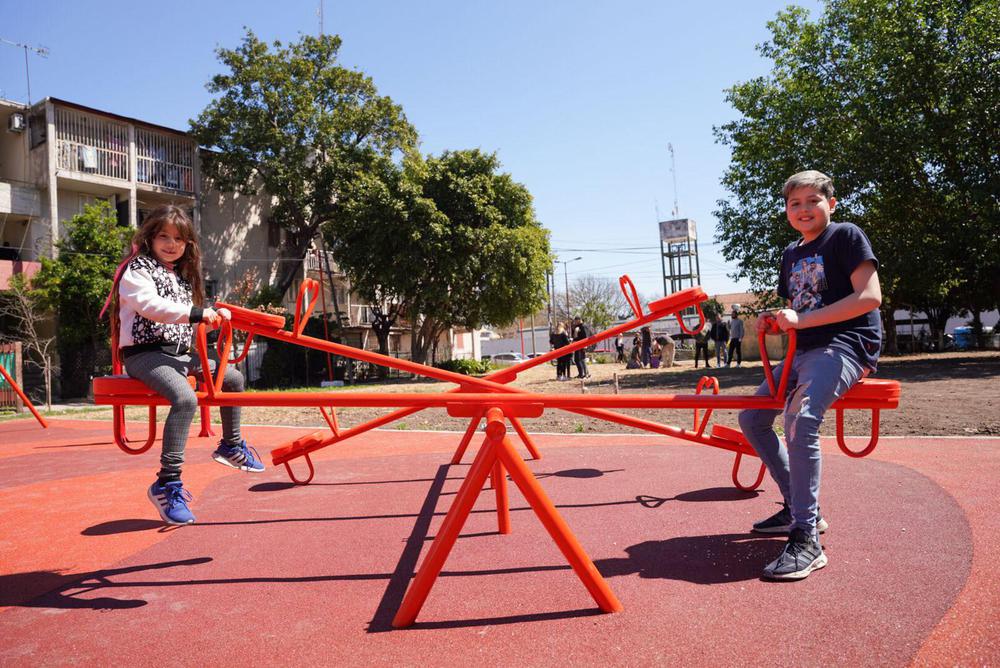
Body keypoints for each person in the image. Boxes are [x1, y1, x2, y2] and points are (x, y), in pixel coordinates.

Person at [738, 170, 881, 581]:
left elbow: (869, 296)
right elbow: (799, 309)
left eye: (813, 201)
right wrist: (776, 321)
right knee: (752, 417)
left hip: (845, 345)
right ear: (786, 210)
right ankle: (799, 508)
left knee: (800, 420)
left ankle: (806, 538)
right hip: (804, 350)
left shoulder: (845, 236)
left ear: (830, 204)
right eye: (794, 203)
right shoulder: (790, 254)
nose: (803, 209)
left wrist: (802, 320)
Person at [112, 205, 264, 526]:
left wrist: (214, 318)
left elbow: (185, 319)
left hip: (179, 354)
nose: (172, 244)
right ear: (150, 237)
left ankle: (230, 445)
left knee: (233, 378)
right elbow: (151, 307)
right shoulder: (137, 269)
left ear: (187, 244)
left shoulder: (180, 277)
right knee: (184, 399)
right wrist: (197, 313)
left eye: (179, 239)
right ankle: (167, 482)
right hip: (145, 354)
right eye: (164, 236)